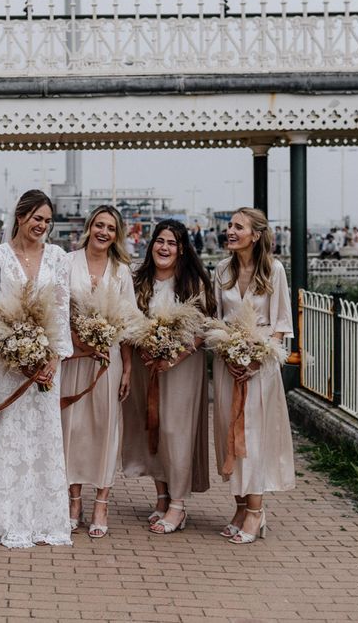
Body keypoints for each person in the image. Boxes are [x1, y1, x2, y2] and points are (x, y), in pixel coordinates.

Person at [0, 190, 73, 548]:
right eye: (35, 218)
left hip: (47, 363)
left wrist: (52, 358)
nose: (41, 226)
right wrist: (17, 355)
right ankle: (4, 516)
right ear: (21, 216)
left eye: (46, 220)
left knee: (45, 432)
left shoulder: (58, 257)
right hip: (8, 361)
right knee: (11, 428)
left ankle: (45, 519)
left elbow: (61, 312)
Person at [122, 219, 213, 534]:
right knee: (154, 430)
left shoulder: (193, 283)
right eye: (159, 241)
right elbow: (127, 319)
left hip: (182, 369)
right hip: (146, 366)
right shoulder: (138, 279)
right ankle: (161, 496)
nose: (164, 248)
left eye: (171, 243)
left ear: (182, 249)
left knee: (177, 431)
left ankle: (178, 505)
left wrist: (177, 354)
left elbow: (204, 327)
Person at [212, 207, 295, 545]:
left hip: (260, 368)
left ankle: (256, 511)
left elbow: (281, 325)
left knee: (253, 437)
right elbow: (216, 319)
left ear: (256, 235)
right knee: (227, 434)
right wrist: (228, 352)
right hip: (227, 364)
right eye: (230, 226)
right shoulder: (221, 270)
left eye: (238, 227)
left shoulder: (273, 271)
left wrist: (257, 359)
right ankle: (240, 506)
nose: (230, 231)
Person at [61, 206, 135, 539]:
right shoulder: (67, 261)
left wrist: (128, 368)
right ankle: (73, 500)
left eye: (110, 228)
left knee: (106, 427)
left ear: (116, 235)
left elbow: (129, 320)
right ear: (89, 227)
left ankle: (101, 501)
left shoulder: (121, 271)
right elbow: (57, 308)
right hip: (75, 356)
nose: (103, 232)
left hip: (109, 357)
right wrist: (78, 341)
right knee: (73, 426)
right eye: (99, 225)